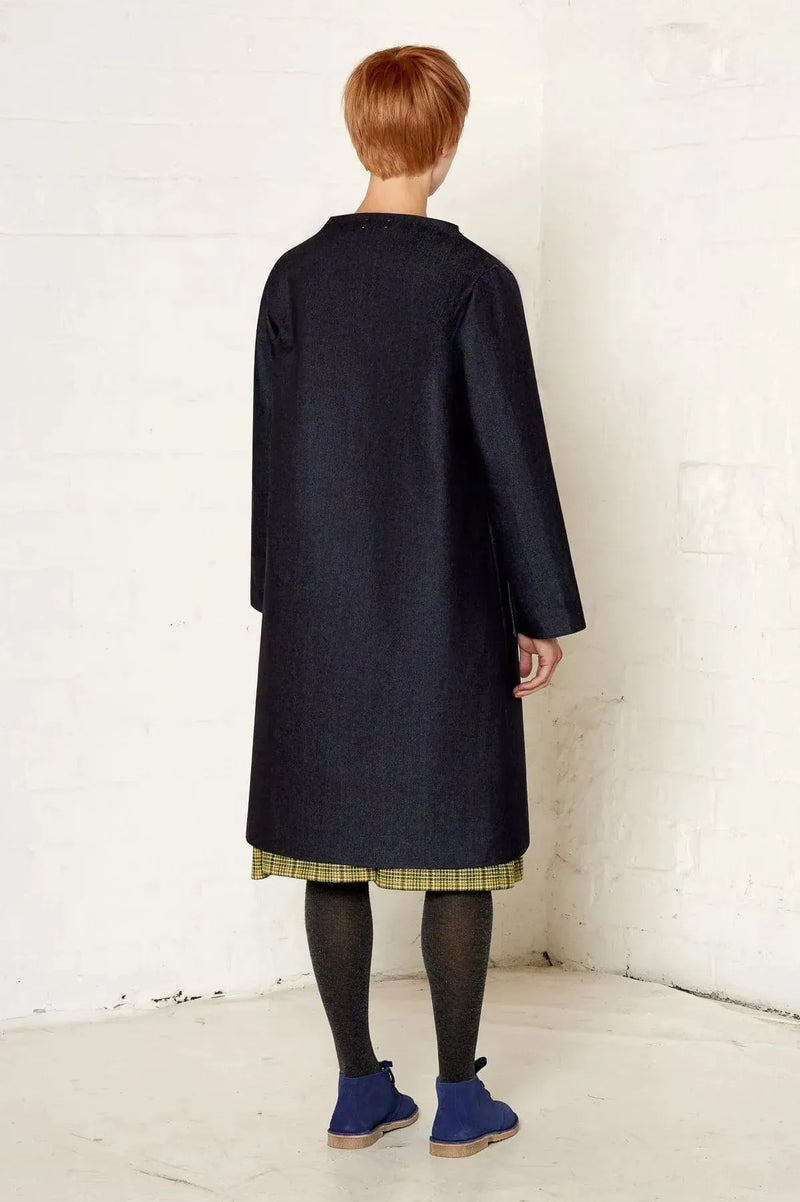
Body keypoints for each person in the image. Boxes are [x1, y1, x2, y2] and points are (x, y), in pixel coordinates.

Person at [246, 45, 586, 1158]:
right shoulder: (471, 280)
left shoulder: (293, 279)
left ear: (361, 133)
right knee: (458, 842)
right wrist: (540, 607)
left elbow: (273, 450)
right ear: (447, 140)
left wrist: (277, 593)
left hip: (317, 608)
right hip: (445, 605)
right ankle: (457, 1099)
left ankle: (358, 1090)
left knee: (327, 846)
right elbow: (512, 454)